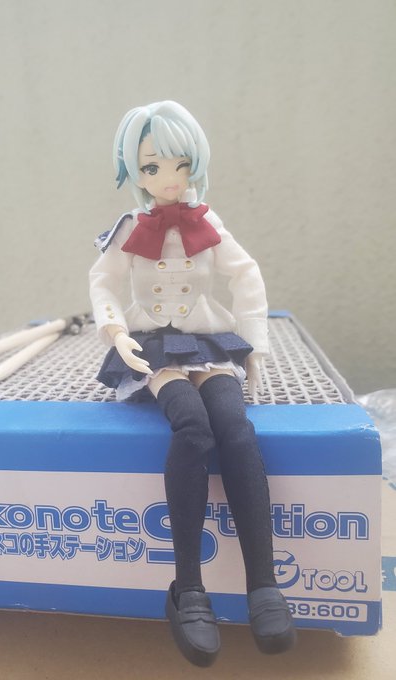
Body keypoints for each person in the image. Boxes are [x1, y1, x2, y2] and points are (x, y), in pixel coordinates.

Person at [89, 100, 296, 667]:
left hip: (206, 340)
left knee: (237, 429)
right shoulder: (130, 229)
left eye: (181, 165)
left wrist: (254, 345)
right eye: (152, 167)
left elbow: (246, 274)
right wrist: (114, 331)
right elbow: (102, 282)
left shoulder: (208, 222)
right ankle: (187, 587)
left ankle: (264, 585)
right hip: (153, 347)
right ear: (134, 171)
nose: (169, 178)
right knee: (193, 427)